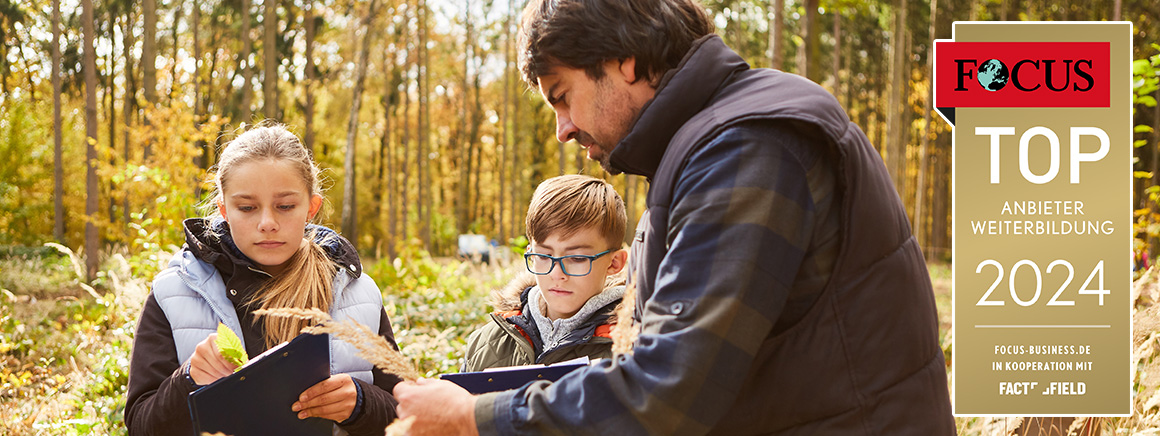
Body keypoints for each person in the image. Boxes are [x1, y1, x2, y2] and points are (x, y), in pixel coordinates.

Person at [393, 0, 955, 434]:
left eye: (562, 95)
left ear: (625, 60)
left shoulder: (747, 147)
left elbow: (670, 389)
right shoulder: (713, 143)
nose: (562, 128)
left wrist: (477, 418)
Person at [125, 124, 402, 435]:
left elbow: (405, 417)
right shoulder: (175, 293)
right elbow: (140, 425)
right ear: (224, 210)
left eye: (285, 206)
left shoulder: (358, 294)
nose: (267, 223)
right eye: (247, 208)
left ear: (311, 207)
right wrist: (187, 378)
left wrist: (362, 404)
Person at [462, 175, 628, 372]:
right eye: (543, 255)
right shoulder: (487, 342)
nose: (557, 274)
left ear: (614, 263)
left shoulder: (633, 347)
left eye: (577, 258)